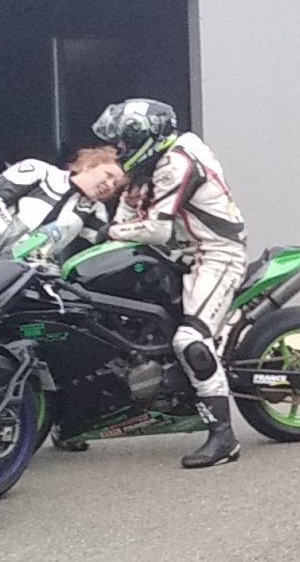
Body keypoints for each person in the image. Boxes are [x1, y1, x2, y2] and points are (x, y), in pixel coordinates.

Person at [94, 98, 246, 469]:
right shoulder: (148, 164)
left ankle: (224, 437)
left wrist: (109, 232)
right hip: (180, 254)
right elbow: (127, 213)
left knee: (190, 341)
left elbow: (157, 229)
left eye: (124, 143)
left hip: (215, 254)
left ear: (144, 139)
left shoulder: (177, 162)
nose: (119, 150)